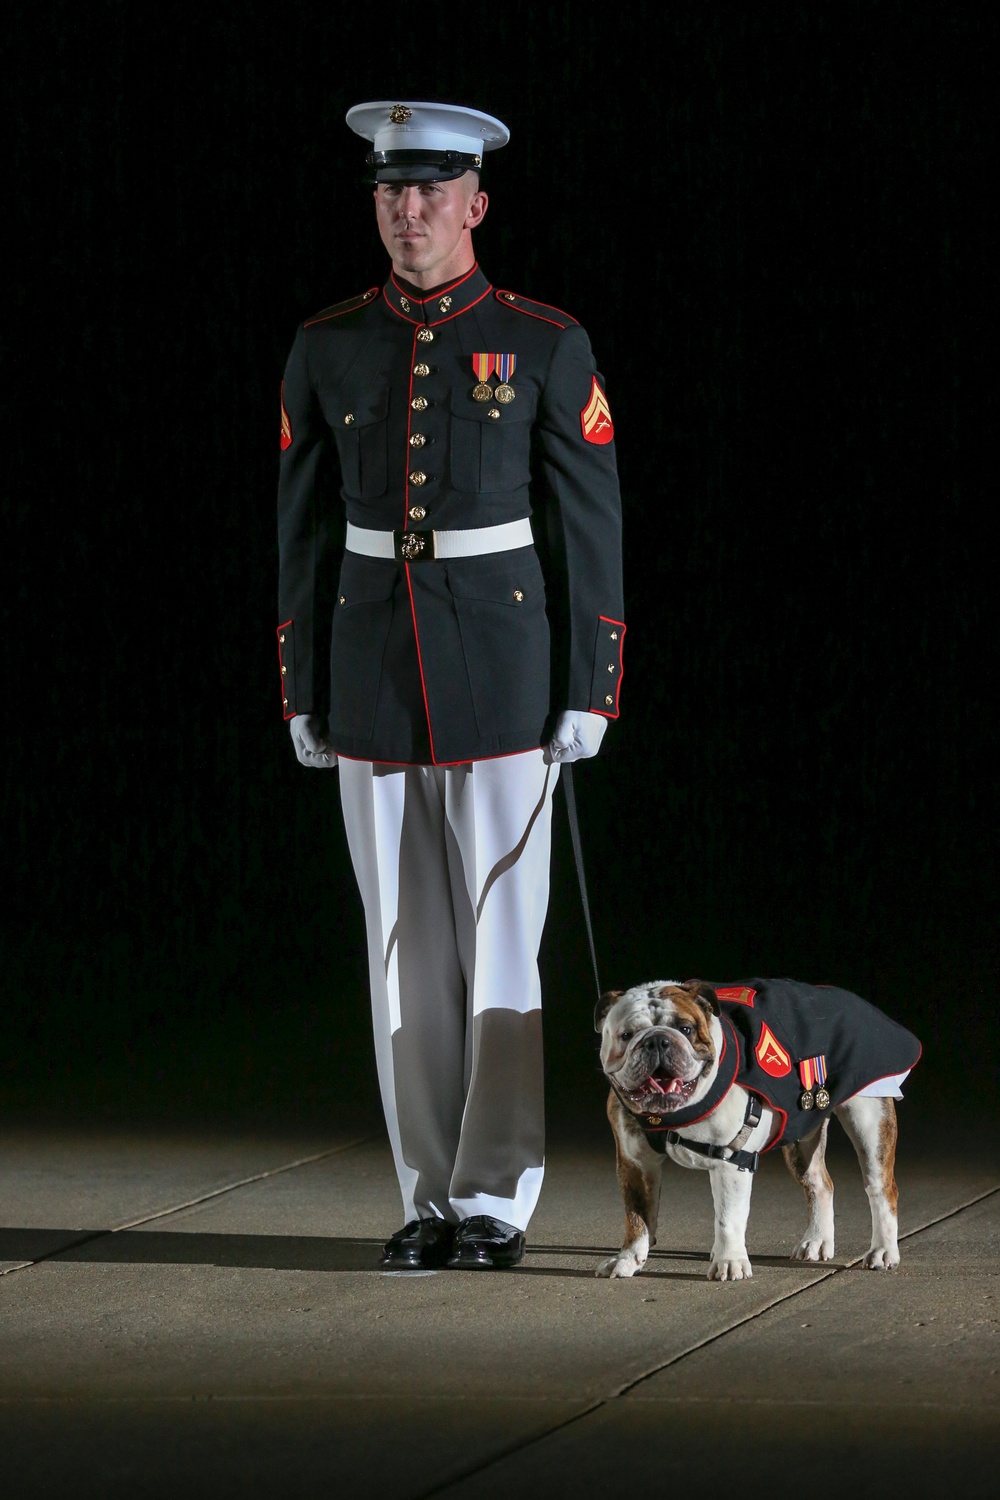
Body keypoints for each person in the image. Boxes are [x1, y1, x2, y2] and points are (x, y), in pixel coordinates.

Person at [276, 101, 625, 1270]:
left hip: (502, 674)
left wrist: (591, 684)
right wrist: (298, 684)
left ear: (475, 204)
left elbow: (588, 523)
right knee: (400, 948)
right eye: (389, 192)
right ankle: (429, 1196)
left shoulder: (540, 340)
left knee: (500, 944)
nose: (407, 212)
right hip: (371, 669)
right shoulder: (327, 342)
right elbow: (303, 529)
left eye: (430, 192)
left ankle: (496, 1200)